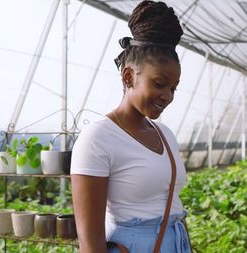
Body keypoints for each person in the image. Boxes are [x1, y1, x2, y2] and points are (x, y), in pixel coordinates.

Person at [70, 1, 190, 252]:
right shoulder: (98, 138)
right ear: (128, 76)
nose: (167, 96)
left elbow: (171, 204)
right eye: (159, 84)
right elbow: (90, 240)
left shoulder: (165, 134)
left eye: (173, 87)